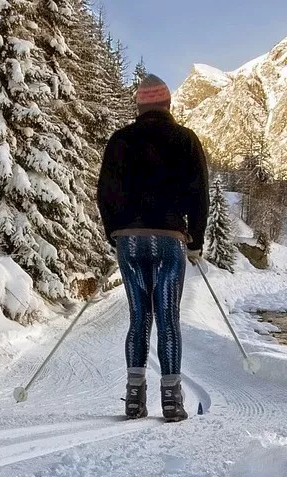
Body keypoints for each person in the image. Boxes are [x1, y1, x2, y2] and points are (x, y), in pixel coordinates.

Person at [97, 74, 209, 422]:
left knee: (139, 317)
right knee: (167, 319)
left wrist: (113, 231)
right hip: (170, 238)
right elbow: (199, 195)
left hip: (129, 239)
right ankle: (172, 402)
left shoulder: (120, 140)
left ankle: (134, 400)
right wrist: (197, 240)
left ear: (140, 106)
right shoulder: (186, 139)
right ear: (168, 105)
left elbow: (105, 192)